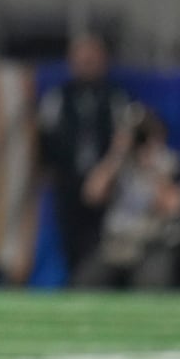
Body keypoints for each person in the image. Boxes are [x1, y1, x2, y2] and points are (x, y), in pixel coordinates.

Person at [36, 31, 133, 280]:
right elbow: (45, 140)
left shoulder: (115, 97)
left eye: (92, 59)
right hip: (68, 181)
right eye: (81, 60)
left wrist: (107, 174)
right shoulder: (59, 97)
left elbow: (123, 139)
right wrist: (49, 174)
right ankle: (76, 283)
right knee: (70, 239)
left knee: (103, 242)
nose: (86, 65)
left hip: (106, 182)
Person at [73, 105, 180, 289]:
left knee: (152, 283)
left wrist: (151, 166)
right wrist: (117, 154)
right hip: (116, 244)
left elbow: (174, 206)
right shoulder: (119, 163)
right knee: (85, 282)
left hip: (151, 245)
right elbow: (91, 194)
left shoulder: (169, 163)